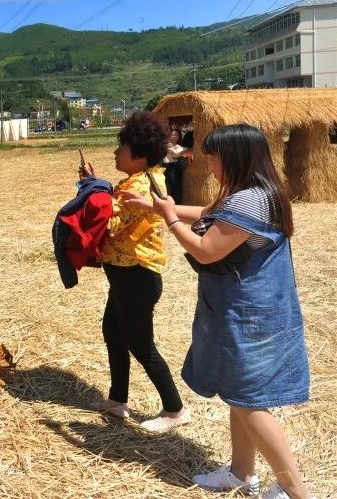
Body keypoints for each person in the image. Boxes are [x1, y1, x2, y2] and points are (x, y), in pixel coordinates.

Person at [123, 124, 312, 499]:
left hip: (247, 315)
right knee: (238, 395)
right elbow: (211, 213)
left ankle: (296, 492)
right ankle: (242, 473)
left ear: (234, 157)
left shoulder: (248, 201)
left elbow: (206, 248)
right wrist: (159, 208)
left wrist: (171, 219)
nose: (208, 163)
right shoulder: (261, 192)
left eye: (212, 156)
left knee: (250, 401)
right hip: (251, 310)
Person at [80, 111, 190, 433]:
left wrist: (92, 188)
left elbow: (110, 225)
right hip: (126, 275)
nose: (116, 152)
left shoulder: (140, 186)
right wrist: (94, 184)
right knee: (114, 332)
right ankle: (117, 400)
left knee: (141, 344)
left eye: (121, 147)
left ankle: (175, 408)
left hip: (137, 277)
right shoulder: (137, 179)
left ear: (138, 156)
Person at [164, 129, 187, 203]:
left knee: (176, 187)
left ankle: (177, 204)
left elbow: (181, 153)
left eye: (176, 135)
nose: (174, 136)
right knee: (170, 186)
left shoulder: (179, 146)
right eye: (172, 134)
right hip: (168, 167)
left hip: (176, 167)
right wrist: (172, 150)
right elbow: (176, 154)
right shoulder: (165, 145)